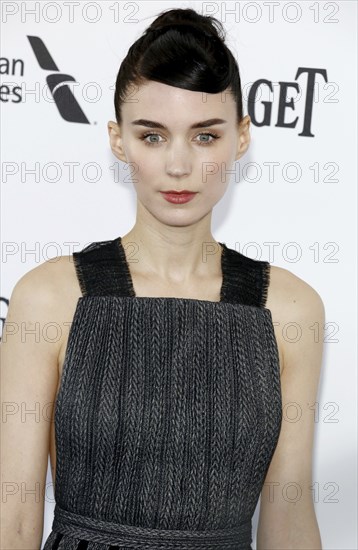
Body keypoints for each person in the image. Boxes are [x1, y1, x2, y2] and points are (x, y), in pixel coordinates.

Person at [0, 7, 325, 550]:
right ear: (117, 139)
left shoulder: (290, 310)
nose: (179, 166)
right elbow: (13, 513)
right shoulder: (50, 299)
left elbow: (289, 517)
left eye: (205, 136)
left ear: (241, 138)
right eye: (153, 136)